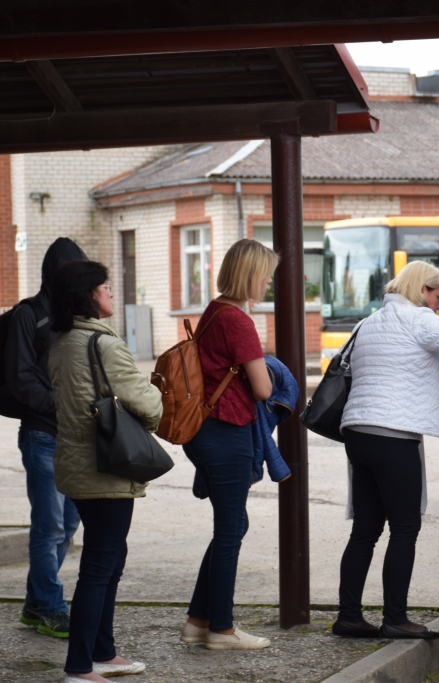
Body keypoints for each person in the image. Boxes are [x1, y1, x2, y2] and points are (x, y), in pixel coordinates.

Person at [336, 260, 439, 640]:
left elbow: (345, 365)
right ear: (423, 290)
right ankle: (395, 618)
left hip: (358, 432)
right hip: (393, 436)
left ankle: (349, 617)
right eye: (438, 295)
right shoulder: (419, 319)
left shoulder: (367, 323)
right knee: (405, 527)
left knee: (365, 529)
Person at [49, 260, 161, 682]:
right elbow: (146, 403)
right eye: (105, 286)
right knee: (100, 565)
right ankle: (80, 666)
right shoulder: (103, 344)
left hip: (78, 466)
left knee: (110, 557)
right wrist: (157, 396)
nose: (111, 292)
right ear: (90, 295)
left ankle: (103, 652)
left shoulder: (62, 343)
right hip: (105, 468)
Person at [180, 239, 279, 651]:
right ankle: (221, 630)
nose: (268, 282)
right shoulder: (238, 321)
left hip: (206, 431)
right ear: (250, 275)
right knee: (230, 529)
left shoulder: (213, 312)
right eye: (266, 275)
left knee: (232, 525)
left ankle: (198, 621)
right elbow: (263, 388)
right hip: (226, 430)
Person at [4, 237, 87, 638]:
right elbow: (21, 379)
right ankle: (53, 607)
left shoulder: (76, 316)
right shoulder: (29, 314)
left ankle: (35, 604)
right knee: (49, 526)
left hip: (75, 438)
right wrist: (60, 407)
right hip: (42, 435)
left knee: (68, 523)